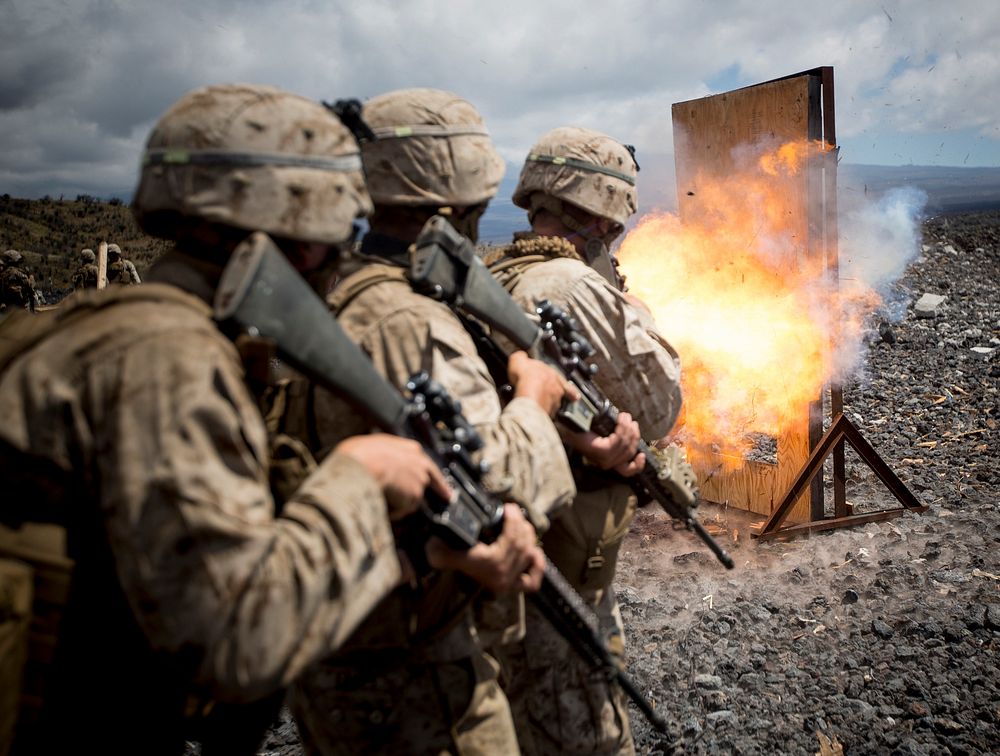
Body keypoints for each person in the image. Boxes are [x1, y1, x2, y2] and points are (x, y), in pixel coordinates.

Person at [0, 83, 453, 756]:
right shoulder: (168, 356)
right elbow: (240, 644)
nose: (338, 264)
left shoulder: (105, 326)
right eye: (335, 240)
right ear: (298, 242)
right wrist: (363, 475)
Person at [285, 88, 583, 755]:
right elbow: (492, 490)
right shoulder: (409, 319)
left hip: (342, 646)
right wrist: (534, 399)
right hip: (417, 671)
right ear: (457, 207)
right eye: (477, 210)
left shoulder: (326, 294)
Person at [484, 126, 684, 755]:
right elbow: (658, 404)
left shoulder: (498, 272)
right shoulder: (568, 286)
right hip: (558, 560)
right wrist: (634, 310)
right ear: (601, 214)